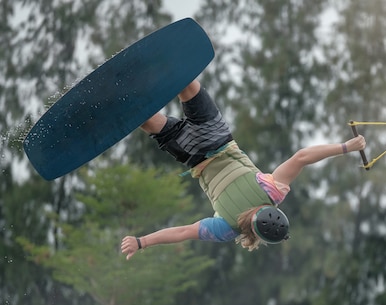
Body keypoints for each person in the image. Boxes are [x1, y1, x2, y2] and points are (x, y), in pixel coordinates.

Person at [120, 80, 366, 258]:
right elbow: (183, 232)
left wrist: (346, 146)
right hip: (192, 155)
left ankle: (141, 83)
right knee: (147, 121)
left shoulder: (272, 193)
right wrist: (142, 242)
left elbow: (302, 157)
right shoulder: (226, 229)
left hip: (214, 136)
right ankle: (124, 97)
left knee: (186, 84)